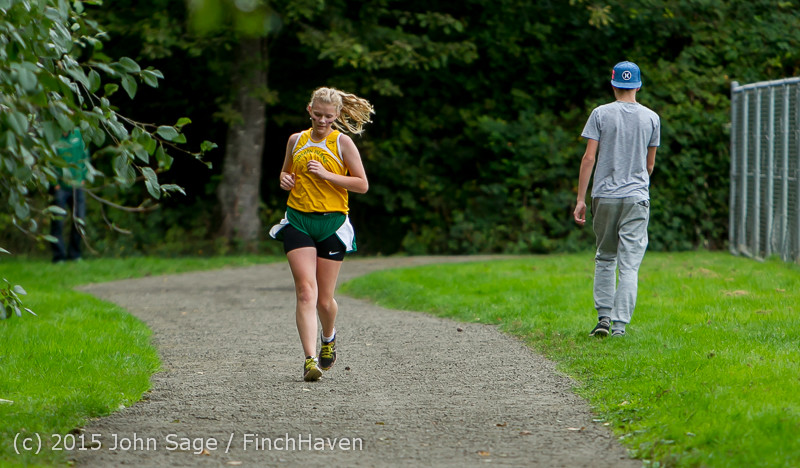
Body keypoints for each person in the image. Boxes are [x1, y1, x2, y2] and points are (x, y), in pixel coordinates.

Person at [269, 87, 374, 381]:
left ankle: (328, 337)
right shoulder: (296, 140)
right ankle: (309, 359)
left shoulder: (342, 143)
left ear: (337, 115)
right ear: (309, 110)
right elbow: (286, 173)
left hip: (332, 223)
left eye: (328, 116)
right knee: (306, 291)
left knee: (324, 301)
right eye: (317, 115)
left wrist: (327, 175)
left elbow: (362, 185)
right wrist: (285, 179)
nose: (322, 121)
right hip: (298, 220)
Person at [573, 61, 660, 338]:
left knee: (605, 257)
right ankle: (620, 327)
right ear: (638, 86)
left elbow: (589, 158)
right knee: (629, 265)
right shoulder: (651, 118)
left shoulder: (600, 114)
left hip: (604, 196)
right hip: (636, 198)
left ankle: (603, 319)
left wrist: (580, 199)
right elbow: (649, 166)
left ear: (613, 85)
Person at [51, 128, 89, 263]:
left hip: (77, 185)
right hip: (60, 186)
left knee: (80, 219)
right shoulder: (53, 135)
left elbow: (85, 155)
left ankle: (75, 254)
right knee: (57, 222)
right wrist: (54, 183)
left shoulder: (78, 134)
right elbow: (49, 160)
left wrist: (83, 177)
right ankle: (59, 256)